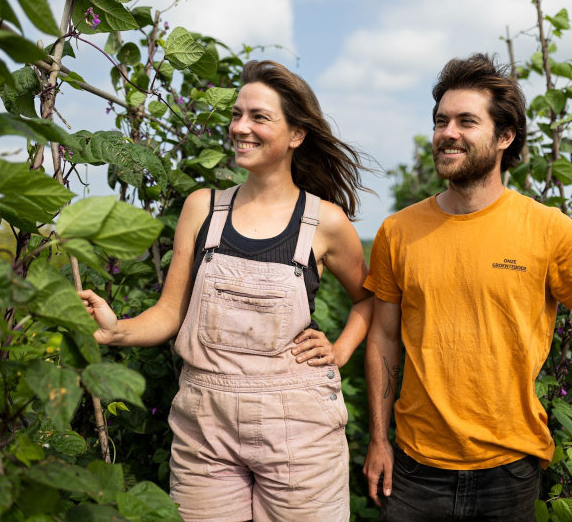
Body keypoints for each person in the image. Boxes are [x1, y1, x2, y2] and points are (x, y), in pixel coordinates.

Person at [361, 53, 572, 521]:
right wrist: (379, 439)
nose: (447, 132)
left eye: (466, 121)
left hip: (508, 471)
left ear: (505, 137)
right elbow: (384, 338)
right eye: (441, 121)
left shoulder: (548, 230)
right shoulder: (398, 231)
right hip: (415, 470)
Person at [79, 60, 374, 522]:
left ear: (296, 135)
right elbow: (170, 311)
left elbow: (368, 297)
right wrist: (117, 330)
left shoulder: (325, 223)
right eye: (237, 115)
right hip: (205, 424)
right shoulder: (203, 209)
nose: (240, 127)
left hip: (298, 425)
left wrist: (339, 350)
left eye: (259, 117)